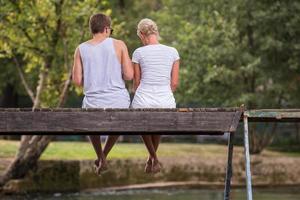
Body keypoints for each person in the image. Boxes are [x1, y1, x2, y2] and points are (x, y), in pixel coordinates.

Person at [72, 13, 133, 175]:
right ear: (106, 28)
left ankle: (100, 155)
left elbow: (77, 81)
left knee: (90, 114)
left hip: (93, 103)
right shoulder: (119, 44)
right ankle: (103, 156)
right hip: (118, 101)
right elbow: (129, 76)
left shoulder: (81, 49)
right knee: (120, 115)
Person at [131, 18, 180, 173]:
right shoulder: (173, 52)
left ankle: (153, 158)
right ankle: (152, 159)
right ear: (156, 32)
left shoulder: (138, 53)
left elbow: (136, 84)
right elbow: (174, 84)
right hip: (166, 101)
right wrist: (162, 94)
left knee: (141, 120)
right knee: (158, 119)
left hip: (143, 100)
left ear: (142, 34)